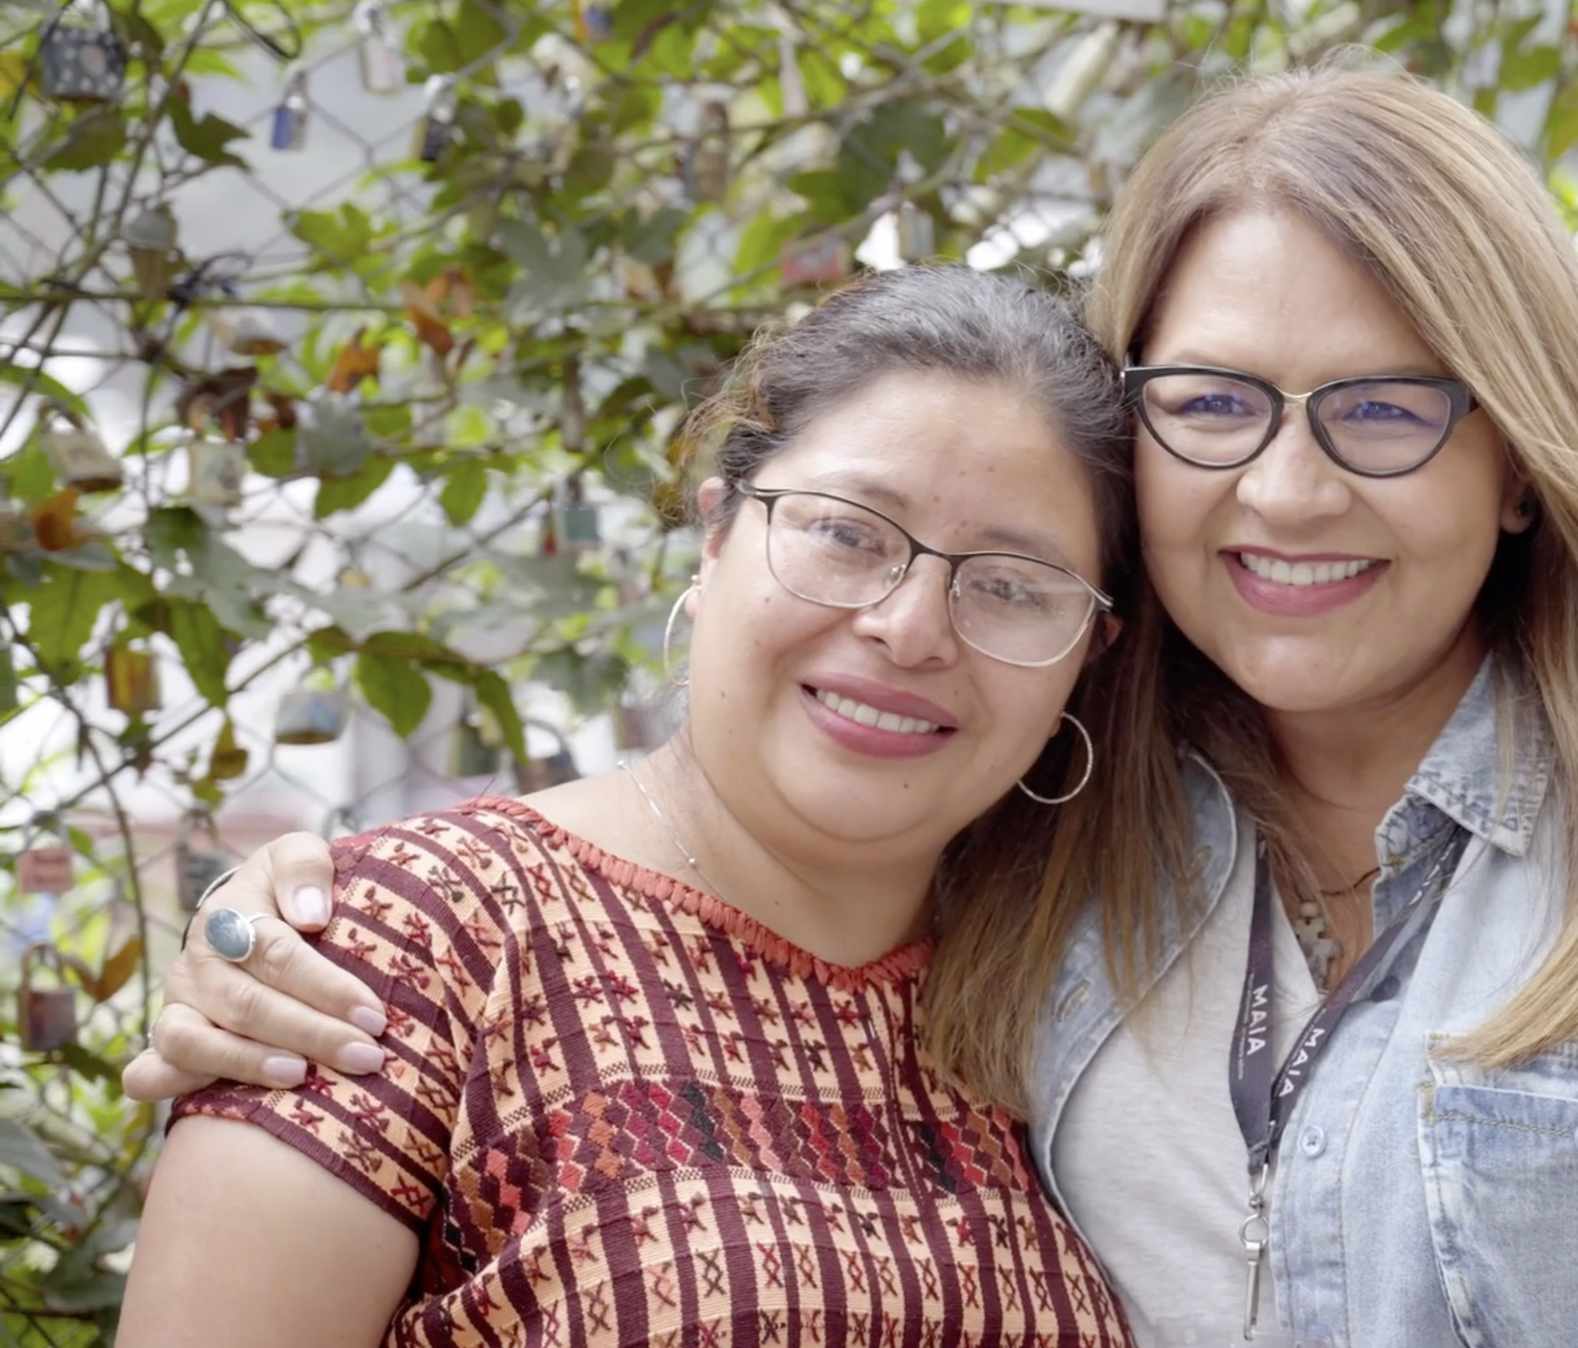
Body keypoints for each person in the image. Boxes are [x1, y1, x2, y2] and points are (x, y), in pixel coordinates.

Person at [130, 64, 1578, 1344]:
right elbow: (708, 858)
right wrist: (283, 934)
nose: (1285, 489)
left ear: (1522, 454)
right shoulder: (1064, 820)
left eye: (1383, 408)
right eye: (1210, 402)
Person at [119, 265, 1138, 1346]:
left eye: (1013, 584)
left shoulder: (1088, 1001)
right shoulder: (411, 942)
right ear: (715, 536)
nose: (911, 624)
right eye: (846, 531)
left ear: (1089, 655)